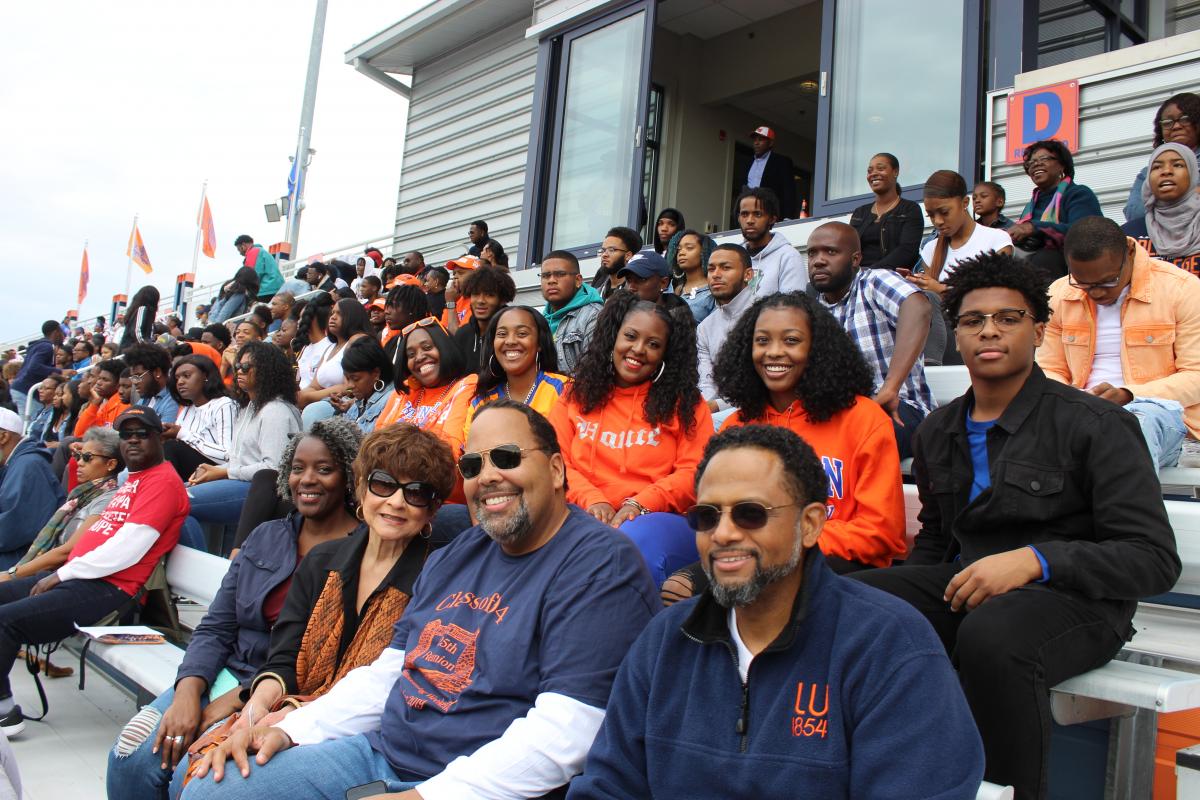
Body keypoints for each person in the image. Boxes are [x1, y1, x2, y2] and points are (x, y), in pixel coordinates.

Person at [179, 400, 657, 800]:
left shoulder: (600, 565)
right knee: (210, 786)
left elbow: (567, 733)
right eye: (472, 465)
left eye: (506, 457)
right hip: (382, 753)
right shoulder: (463, 551)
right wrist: (291, 730)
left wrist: (426, 796)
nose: (487, 476)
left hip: (477, 785)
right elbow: (390, 672)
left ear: (556, 469)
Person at [854, 253, 1181, 798]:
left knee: (993, 635)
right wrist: (906, 607)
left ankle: (1008, 791)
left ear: (1038, 330)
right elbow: (936, 537)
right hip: (973, 591)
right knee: (858, 601)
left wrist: (1036, 559)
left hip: (1078, 603)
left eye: (1009, 318)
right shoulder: (938, 430)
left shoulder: (1095, 425)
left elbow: (1152, 558)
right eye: (973, 320)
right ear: (955, 335)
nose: (990, 331)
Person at [568, 425, 984, 799]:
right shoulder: (664, 640)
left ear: (811, 524)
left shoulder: (890, 645)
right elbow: (607, 786)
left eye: (751, 513)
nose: (725, 533)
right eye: (707, 516)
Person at [105, 419, 365, 800]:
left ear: (347, 475)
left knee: (189, 774)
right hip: (221, 674)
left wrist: (232, 703)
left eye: (324, 469)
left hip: (280, 693)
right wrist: (188, 695)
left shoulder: (364, 553)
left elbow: (326, 661)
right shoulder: (266, 535)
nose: (307, 479)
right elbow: (215, 626)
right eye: (297, 468)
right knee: (130, 756)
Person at [0, 406, 189, 737]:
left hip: (109, 589)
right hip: (83, 577)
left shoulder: (162, 482)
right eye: (125, 435)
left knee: (5, 621)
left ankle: (5, 712)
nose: (132, 441)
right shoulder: (133, 480)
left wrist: (62, 574)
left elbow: (128, 549)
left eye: (141, 434)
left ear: (159, 437)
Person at [717, 292, 905, 569]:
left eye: (791, 340)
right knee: (683, 585)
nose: (774, 352)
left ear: (817, 349)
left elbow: (881, 532)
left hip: (840, 566)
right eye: (762, 341)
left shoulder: (863, 418)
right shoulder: (735, 426)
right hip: (753, 561)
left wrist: (783, 542)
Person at [548, 293, 712, 586]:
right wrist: (593, 500)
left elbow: (695, 473)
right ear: (613, 337)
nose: (638, 350)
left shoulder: (687, 404)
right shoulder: (576, 395)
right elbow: (554, 461)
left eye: (653, 344)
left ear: (666, 353)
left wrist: (638, 505)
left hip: (658, 520)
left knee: (627, 543)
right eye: (631, 336)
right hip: (582, 510)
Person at [1038, 216, 1200, 471]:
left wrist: (1128, 394)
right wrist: (1070, 400)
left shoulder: (1182, 289)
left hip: (1159, 413)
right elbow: (1048, 368)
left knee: (1130, 428)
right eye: (1083, 283)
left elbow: (1196, 376)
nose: (1097, 292)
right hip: (1077, 409)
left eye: (1108, 281)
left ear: (1131, 252)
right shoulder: (1059, 294)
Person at [808, 221, 933, 459]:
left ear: (855, 259)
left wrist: (890, 387)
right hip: (842, 412)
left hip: (899, 408)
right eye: (813, 253)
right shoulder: (813, 311)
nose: (819, 260)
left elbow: (918, 309)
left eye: (831, 252)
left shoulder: (874, 281)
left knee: (856, 436)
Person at [183, 342, 302, 554]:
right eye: (238, 365)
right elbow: (240, 460)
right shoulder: (249, 407)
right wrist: (217, 471)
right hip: (240, 482)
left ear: (267, 370)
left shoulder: (276, 411)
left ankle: (200, 572)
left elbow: (273, 468)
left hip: (262, 493)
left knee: (179, 504)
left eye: (247, 367)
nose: (239, 370)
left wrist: (224, 471)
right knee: (177, 492)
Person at [909, 171, 1014, 365]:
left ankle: (930, 367)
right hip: (944, 331)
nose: (938, 221)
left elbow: (997, 296)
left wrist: (940, 288)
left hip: (982, 327)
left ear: (965, 203)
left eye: (944, 212)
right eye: (931, 215)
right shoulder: (931, 248)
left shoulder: (997, 239)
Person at [5, 427, 120, 589]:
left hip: (67, 580)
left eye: (87, 457)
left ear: (111, 464)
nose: (79, 462)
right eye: (78, 456)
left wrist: (12, 574)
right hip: (48, 572)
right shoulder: (80, 495)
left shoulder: (109, 498)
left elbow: (67, 550)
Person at [1007, 138, 1102, 281]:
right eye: (1031, 163)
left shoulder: (1078, 194)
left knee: (1045, 258)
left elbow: (1085, 232)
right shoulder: (1031, 206)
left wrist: (1034, 228)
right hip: (1032, 264)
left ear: (1062, 166)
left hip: (1069, 266)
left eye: (1044, 158)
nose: (1036, 164)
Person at [374, 318, 473, 450]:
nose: (419, 357)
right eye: (411, 354)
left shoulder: (466, 386)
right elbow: (374, 445)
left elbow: (451, 450)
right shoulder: (404, 392)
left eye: (427, 347)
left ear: (445, 348)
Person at [468, 306, 567, 426]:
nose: (510, 341)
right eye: (502, 334)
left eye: (522, 333)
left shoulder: (565, 389)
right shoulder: (480, 402)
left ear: (539, 343)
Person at [0, 408, 65, 569]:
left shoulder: (28, 466)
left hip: (20, 558)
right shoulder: (15, 462)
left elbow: (13, 530)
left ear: (3, 436)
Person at [697, 244, 757, 419]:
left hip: (758, 407)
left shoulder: (766, 316)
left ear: (748, 275)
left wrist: (716, 406)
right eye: (711, 269)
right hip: (715, 410)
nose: (716, 274)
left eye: (726, 268)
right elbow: (706, 381)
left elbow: (762, 382)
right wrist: (704, 407)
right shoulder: (705, 327)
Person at [1122, 142, 1200, 275]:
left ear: (1192, 174)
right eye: (1157, 167)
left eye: (1177, 165)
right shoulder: (1128, 235)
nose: (1166, 171)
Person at [1124, 92, 1200, 224]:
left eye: (1185, 119)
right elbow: (1134, 213)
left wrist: (1157, 202)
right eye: (1167, 122)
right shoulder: (1147, 172)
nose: (1176, 126)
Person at [298, 299, 374, 428]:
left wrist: (308, 397)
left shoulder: (357, 340)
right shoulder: (330, 348)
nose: (332, 317)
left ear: (352, 316)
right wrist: (304, 395)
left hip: (346, 403)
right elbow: (314, 385)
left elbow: (349, 387)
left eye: (339, 314)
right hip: (326, 401)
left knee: (314, 411)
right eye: (332, 313)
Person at [162, 356, 238, 482]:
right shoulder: (187, 409)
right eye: (177, 378)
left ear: (205, 376)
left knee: (172, 447)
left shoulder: (224, 405)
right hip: (192, 470)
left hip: (217, 471)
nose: (180, 382)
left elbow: (229, 456)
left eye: (186, 376)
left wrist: (182, 433)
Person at [848, 152, 924, 270]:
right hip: (858, 276)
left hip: (893, 276)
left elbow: (907, 250)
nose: (873, 174)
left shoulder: (910, 209)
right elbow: (849, 248)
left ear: (895, 172)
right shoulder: (860, 213)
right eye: (870, 171)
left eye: (881, 168)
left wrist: (872, 271)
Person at [541, 250, 603, 375]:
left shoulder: (595, 316)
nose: (551, 280)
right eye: (546, 275)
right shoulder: (539, 319)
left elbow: (593, 374)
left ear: (578, 280)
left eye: (560, 274)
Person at [735, 188, 805, 297]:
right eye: (744, 214)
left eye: (757, 214)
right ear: (738, 218)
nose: (749, 220)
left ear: (772, 219)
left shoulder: (788, 256)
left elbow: (793, 307)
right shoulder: (734, 256)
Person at [450, 265, 516, 371]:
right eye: (475, 294)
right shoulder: (463, 334)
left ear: (502, 299)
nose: (481, 300)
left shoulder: (513, 334)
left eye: (489, 295)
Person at [329, 337, 393, 433]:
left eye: (355, 379)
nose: (349, 386)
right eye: (347, 378)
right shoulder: (361, 400)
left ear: (376, 373)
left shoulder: (392, 400)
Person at [739, 125, 798, 219]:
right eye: (755, 140)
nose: (756, 143)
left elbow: (789, 191)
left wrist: (788, 217)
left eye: (760, 140)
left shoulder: (782, 162)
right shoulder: (747, 163)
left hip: (770, 214)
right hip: (749, 213)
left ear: (770, 143)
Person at [10, 321, 64, 420]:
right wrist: (60, 372)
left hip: (20, 388)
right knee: (29, 425)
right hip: (25, 390)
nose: (64, 334)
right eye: (62, 331)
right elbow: (34, 367)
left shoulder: (39, 345)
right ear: (56, 331)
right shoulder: (46, 346)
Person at [667, 229, 717, 323]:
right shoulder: (672, 288)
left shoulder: (714, 291)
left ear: (704, 252)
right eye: (679, 249)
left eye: (689, 248)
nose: (681, 253)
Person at [124, 343, 180, 425]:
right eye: (133, 377)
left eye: (138, 376)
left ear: (157, 372)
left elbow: (163, 436)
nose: (134, 382)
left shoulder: (173, 401)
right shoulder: (146, 397)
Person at [381, 285, 431, 374]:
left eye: (393, 306)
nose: (386, 311)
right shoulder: (392, 343)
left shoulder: (431, 340)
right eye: (387, 306)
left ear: (411, 309)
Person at [293, 293, 336, 392]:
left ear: (312, 320)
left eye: (302, 318)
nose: (298, 322)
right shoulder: (305, 347)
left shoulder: (330, 345)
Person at [591, 226, 641, 300]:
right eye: (603, 250)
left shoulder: (635, 293)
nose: (604, 255)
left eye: (611, 250)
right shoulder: (595, 294)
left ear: (628, 255)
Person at [234, 235, 283, 301]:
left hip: (266, 289)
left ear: (243, 245)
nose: (240, 253)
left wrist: (235, 286)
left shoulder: (253, 252)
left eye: (239, 249)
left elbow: (251, 275)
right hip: (273, 287)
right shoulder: (260, 251)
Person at [121, 286, 160, 351]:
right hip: (131, 350)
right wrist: (147, 347)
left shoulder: (144, 311)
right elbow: (136, 331)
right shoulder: (142, 309)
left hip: (134, 349)